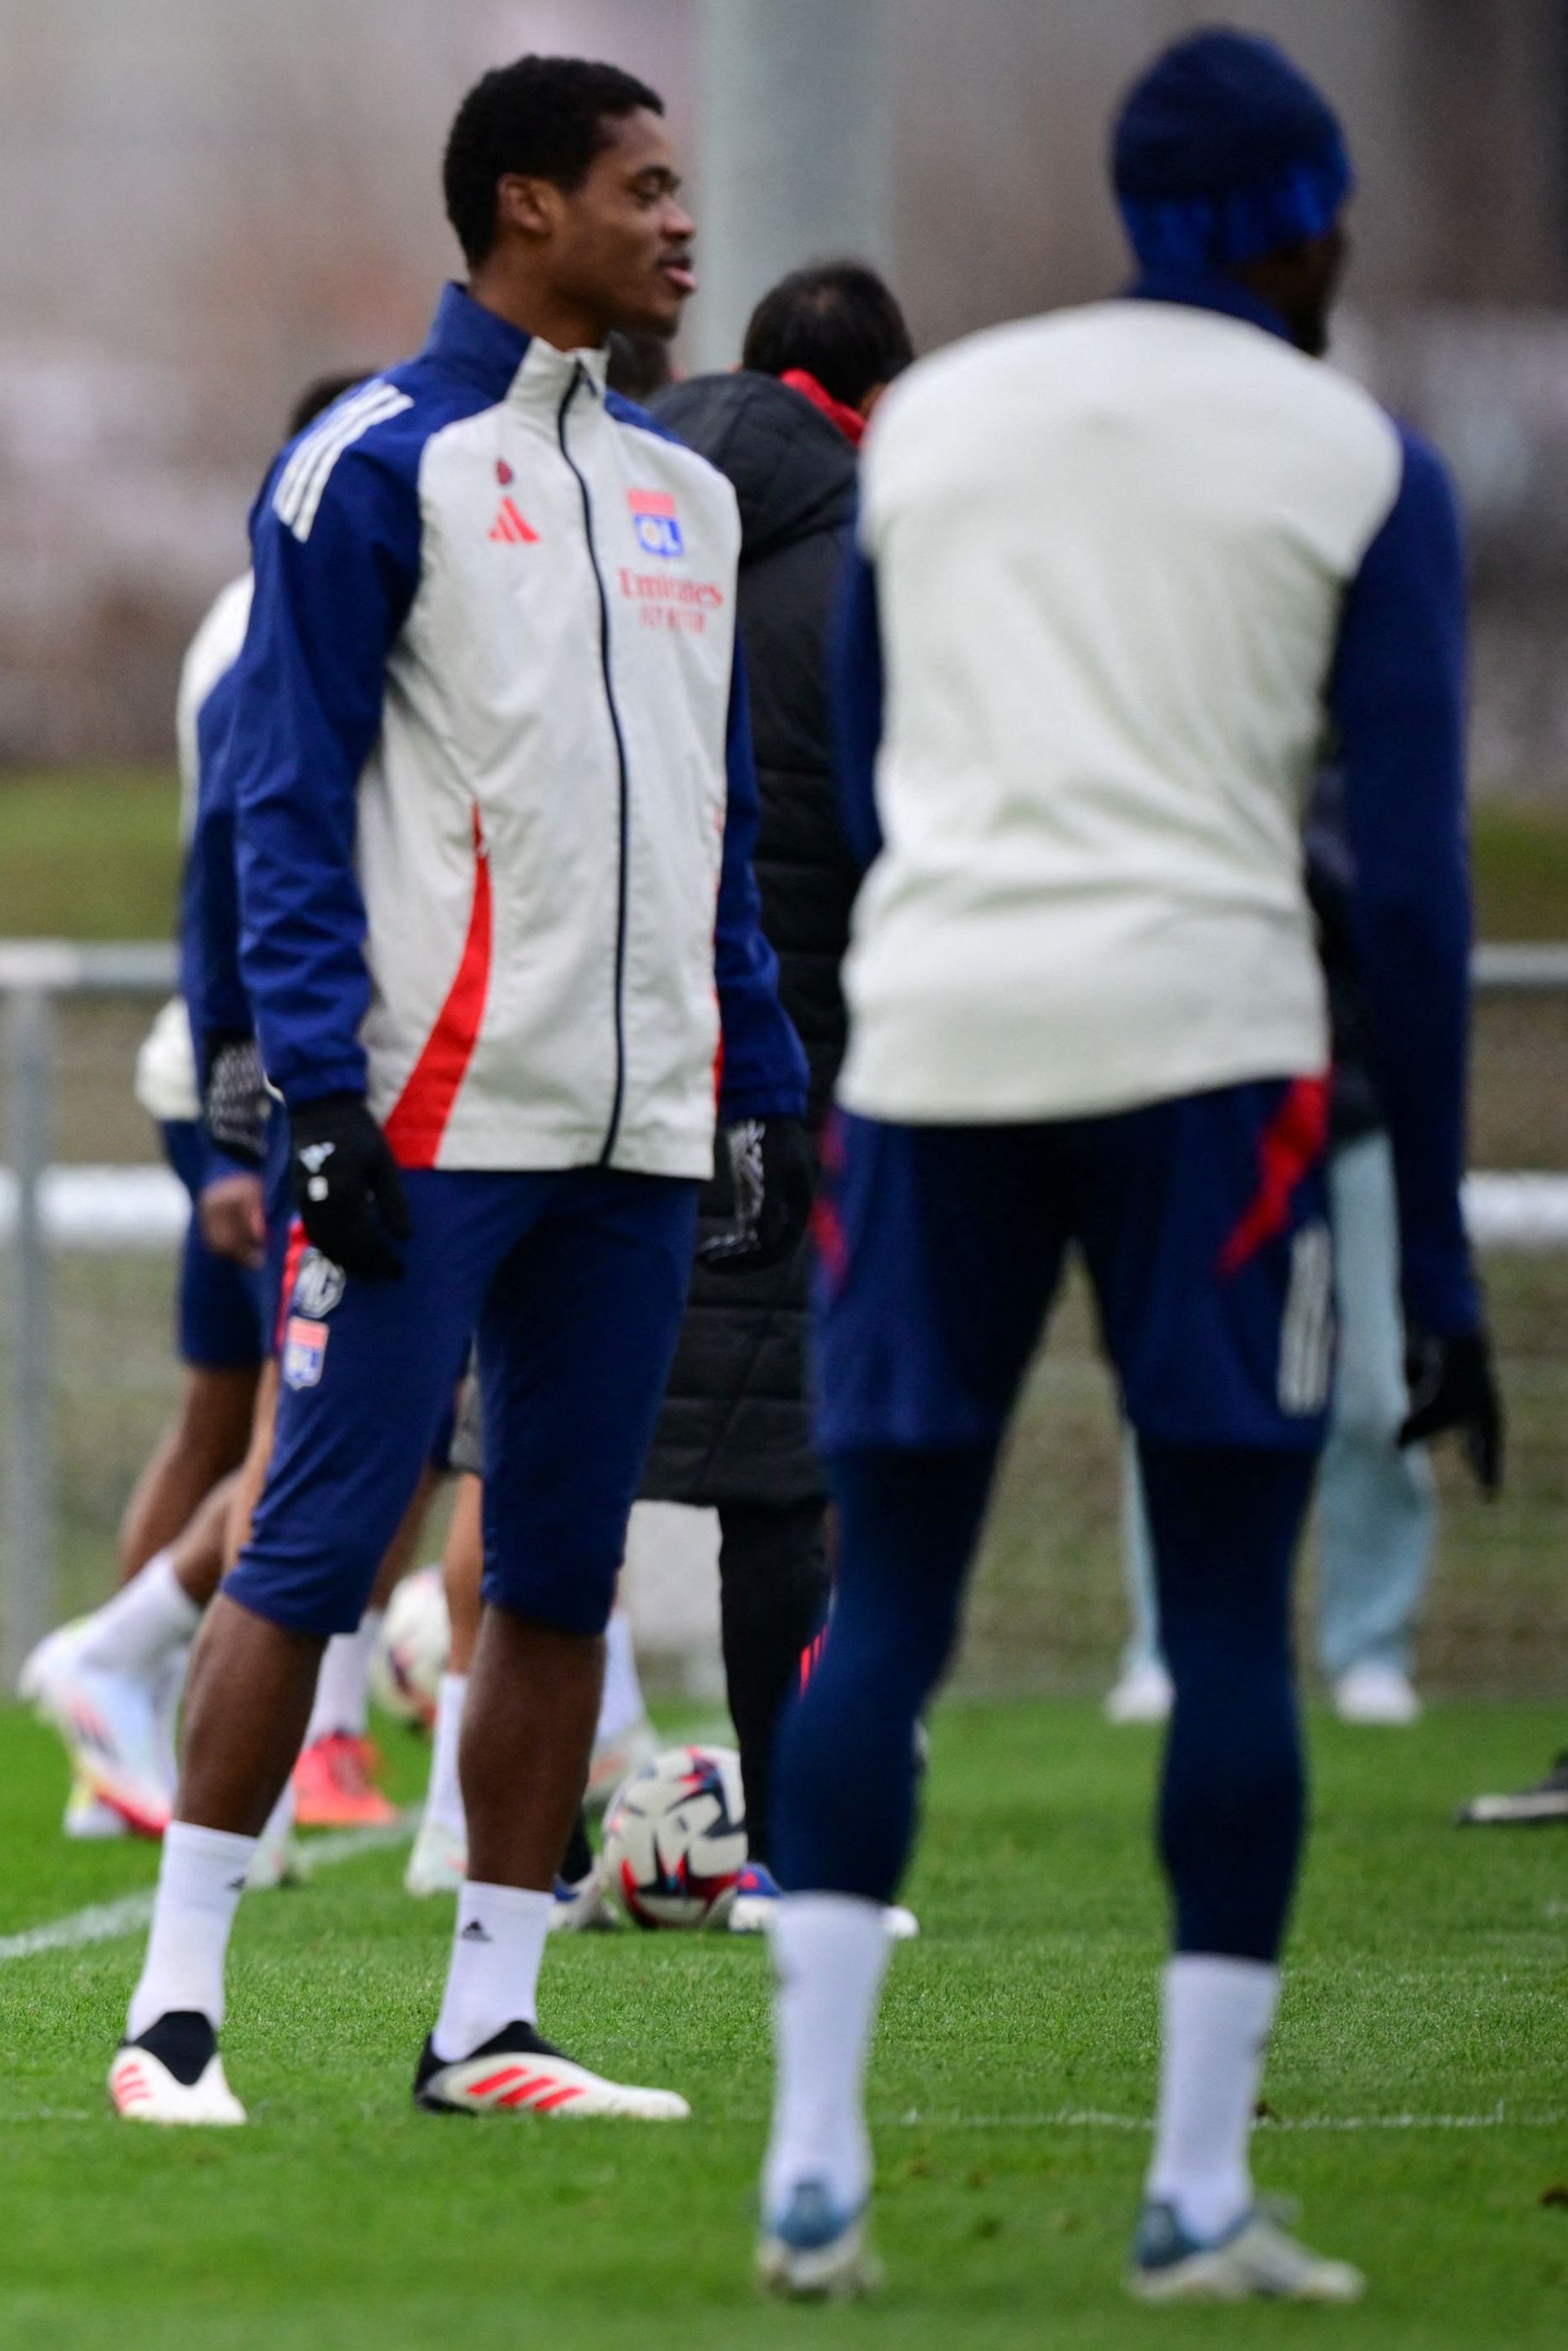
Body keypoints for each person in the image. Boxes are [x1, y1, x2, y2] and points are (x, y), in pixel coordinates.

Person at [756, 30, 1500, 2305]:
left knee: (881, 1601)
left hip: (942, 1030)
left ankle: (810, 2169)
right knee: (1222, 1610)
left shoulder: (950, 412)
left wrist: (961, 938)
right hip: (1207, 1055)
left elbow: (872, 762)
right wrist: (1442, 1228)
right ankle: (1187, 2193)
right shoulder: (1356, 456)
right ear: (1291, 215)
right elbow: (1404, 886)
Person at [107, 54, 810, 2132]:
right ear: (521, 209)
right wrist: (301, 1093)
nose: (679, 223)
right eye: (639, 187)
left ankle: (485, 2027)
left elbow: (714, 827)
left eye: (680, 186)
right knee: (308, 1554)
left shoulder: (684, 497)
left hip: (631, 1136)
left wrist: (747, 1079)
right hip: (412, 1121)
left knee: (555, 1579)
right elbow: (274, 801)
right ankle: (169, 2021)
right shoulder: (365, 465)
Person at [25, 372, 375, 1847]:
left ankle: (124, 1723)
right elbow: (236, 864)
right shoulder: (284, 620)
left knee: (228, 1416)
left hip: (230, 1072)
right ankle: (169, 1689)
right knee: (342, 1431)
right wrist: (246, 1124)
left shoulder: (255, 604)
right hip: (263, 1082)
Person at [635, 259, 912, 1907]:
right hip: (808, 1077)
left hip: (589, 1053)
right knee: (785, 1485)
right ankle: (802, 1853)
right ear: (878, 399)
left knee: (534, 1458)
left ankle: (482, 1847)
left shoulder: (626, 518)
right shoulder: (877, 571)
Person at [1102, 782, 1434, 1730]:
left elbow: (1388, 906)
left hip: (1346, 1119)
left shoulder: (1353, 761)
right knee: (1174, 1386)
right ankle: (1165, 1643)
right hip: (1204, 1114)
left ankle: (1370, 1649)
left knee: (1372, 1391)